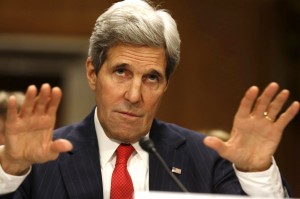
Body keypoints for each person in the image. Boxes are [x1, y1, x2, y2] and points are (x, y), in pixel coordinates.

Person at [0, 0, 299, 198]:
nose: (134, 95)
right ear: (92, 73)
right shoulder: (38, 160)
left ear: (166, 84)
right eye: (121, 72)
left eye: (151, 78)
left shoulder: (208, 161)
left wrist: (256, 171)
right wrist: (11, 167)